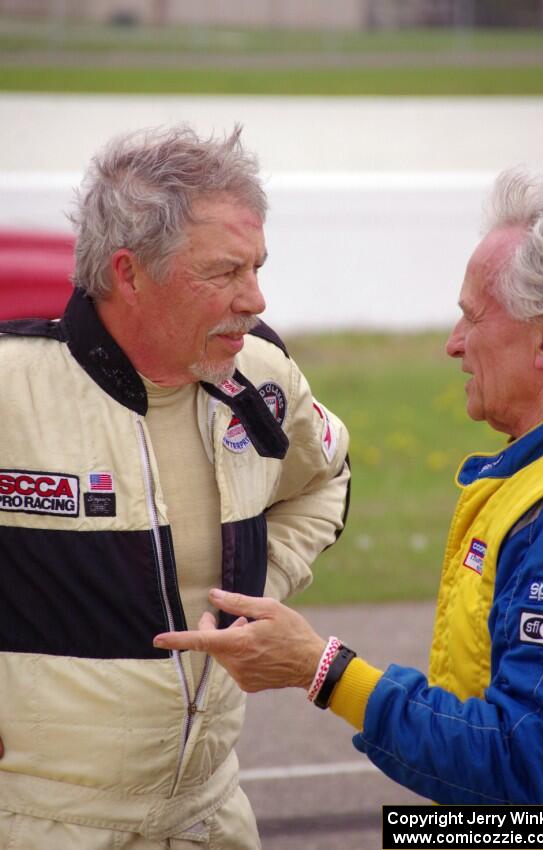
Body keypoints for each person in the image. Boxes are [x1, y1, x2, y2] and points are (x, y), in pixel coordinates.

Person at [155, 167, 543, 806]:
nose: (453, 345)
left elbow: (531, 775)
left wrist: (321, 670)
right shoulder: (531, 480)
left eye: (471, 318)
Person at [0, 125, 350, 849]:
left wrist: (261, 584)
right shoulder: (13, 381)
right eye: (223, 273)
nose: (254, 298)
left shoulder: (264, 373)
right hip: (37, 821)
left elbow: (326, 480)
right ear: (129, 272)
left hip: (209, 813)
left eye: (256, 267)